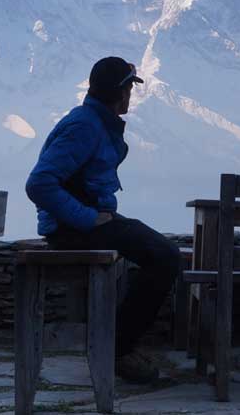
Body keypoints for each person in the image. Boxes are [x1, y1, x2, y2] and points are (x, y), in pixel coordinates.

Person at [25, 56, 181, 384]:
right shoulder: (85, 126)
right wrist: (85, 218)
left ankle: (117, 342)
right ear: (120, 91)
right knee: (164, 255)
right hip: (73, 229)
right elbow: (39, 183)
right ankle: (118, 348)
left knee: (155, 249)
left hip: (88, 221)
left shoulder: (96, 121)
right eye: (128, 88)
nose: (130, 96)